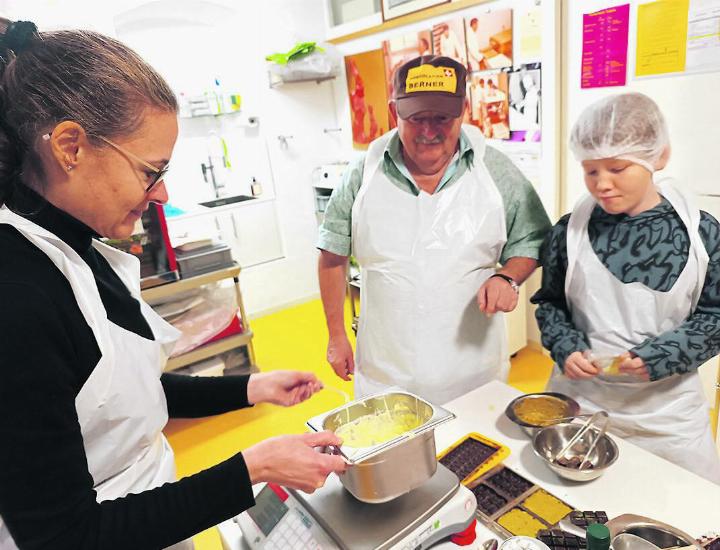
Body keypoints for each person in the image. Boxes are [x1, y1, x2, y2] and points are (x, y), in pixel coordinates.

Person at [0, 20, 348, 550]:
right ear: (70, 146)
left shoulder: (74, 249)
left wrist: (250, 387)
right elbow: (63, 536)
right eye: (149, 171)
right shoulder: (18, 295)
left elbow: (116, 396)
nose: (160, 193)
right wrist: (251, 468)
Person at [318, 55, 551, 405]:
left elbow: (533, 239)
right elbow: (332, 257)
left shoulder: (495, 171)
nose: (429, 132)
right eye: (416, 119)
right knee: (395, 456)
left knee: (474, 454)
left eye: (441, 118)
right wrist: (336, 336)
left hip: (474, 372)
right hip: (386, 373)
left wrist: (507, 277)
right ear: (395, 110)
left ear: (464, 109)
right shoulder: (363, 174)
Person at [531, 92, 720, 484]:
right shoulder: (570, 231)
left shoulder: (701, 234)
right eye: (591, 170)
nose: (602, 184)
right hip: (579, 404)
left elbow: (715, 315)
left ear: (659, 157)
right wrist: (565, 346)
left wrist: (664, 354)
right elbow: (549, 304)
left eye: (617, 168)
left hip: (668, 417)